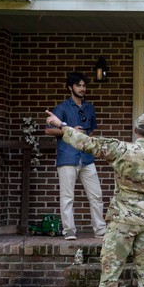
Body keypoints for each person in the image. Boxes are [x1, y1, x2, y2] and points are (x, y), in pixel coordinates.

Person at [45, 111, 144, 287]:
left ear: (135, 130)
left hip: (122, 220)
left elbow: (86, 143)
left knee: (110, 272)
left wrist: (61, 125)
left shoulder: (122, 149)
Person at [45, 72, 106, 241]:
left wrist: (83, 137)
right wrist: (70, 131)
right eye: (79, 85)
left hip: (86, 157)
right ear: (70, 87)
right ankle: (69, 230)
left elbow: (91, 130)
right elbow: (49, 129)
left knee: (96, 194)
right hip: (67, 156)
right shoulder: (61, 108)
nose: (82, 88)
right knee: (67, 196)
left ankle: (100, 230)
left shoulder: (90, 107)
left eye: (84, 85)